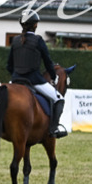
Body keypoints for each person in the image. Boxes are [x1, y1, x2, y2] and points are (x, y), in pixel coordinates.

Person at [8, 10, 67, 138]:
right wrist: (53, 76)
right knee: (59, 99)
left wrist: (16, 76)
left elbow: (9, 65)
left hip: (16, 80)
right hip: (34, 80)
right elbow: (47, 61)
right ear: (35, 25)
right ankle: (54, 129)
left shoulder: (15, 41)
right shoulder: (38, 40)